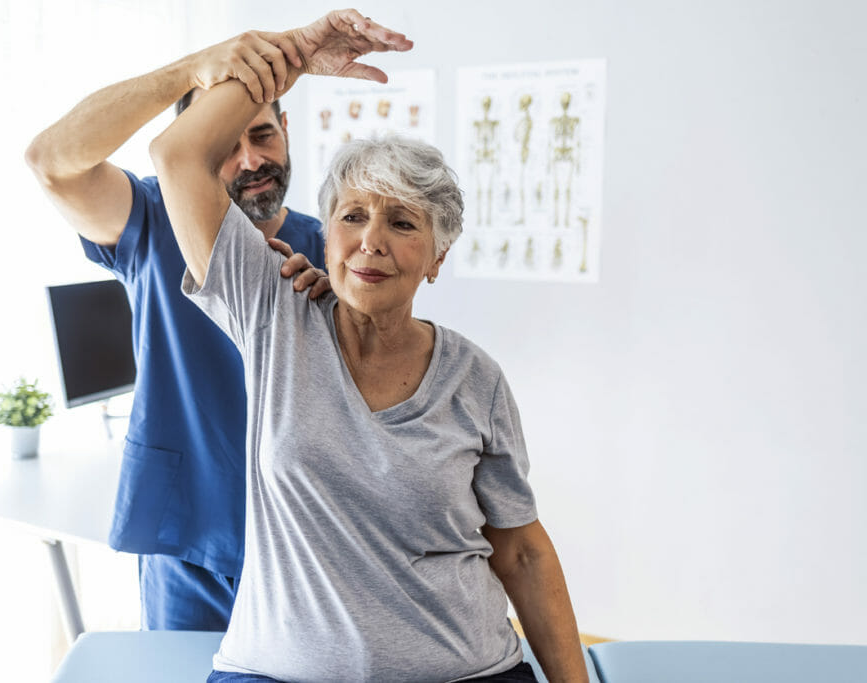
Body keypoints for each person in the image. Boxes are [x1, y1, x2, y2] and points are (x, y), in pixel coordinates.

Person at [150, 9, 589, 682]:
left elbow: (522, 551)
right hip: (276, 673)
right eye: (352, 216)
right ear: (323, 236)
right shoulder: (273, 314)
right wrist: (293, 58)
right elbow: (177, 155)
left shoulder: (477, 380)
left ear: (437, 256)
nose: (371, 241)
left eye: (403, 221)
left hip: (466, 671)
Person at [24, 32, 331, 631]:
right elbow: (51, 161)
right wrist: (192, 69)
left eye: (263, 134)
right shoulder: (149, 221)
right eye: (225, 144)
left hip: (305, 546)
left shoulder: (332, 248)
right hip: (188, 540)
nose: (251, 161)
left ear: (287, 127)